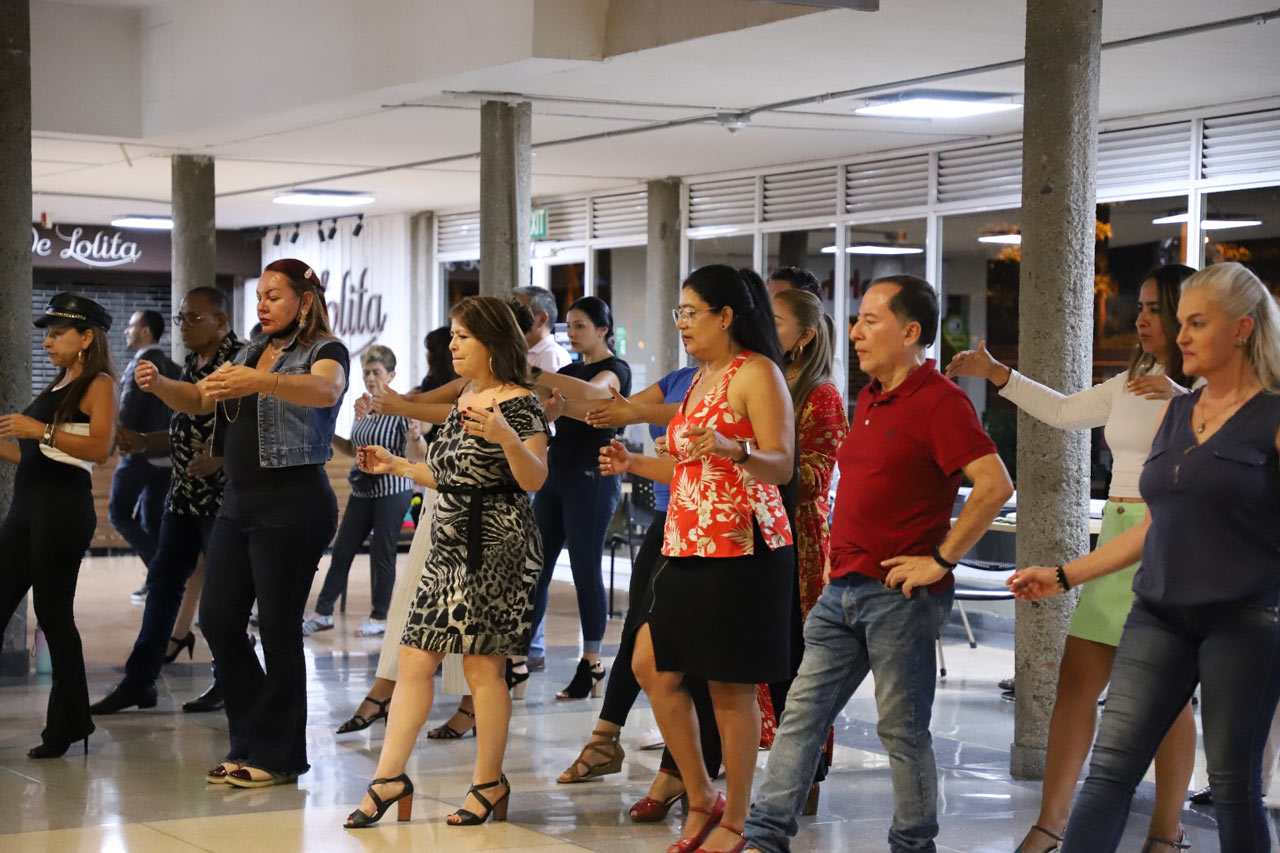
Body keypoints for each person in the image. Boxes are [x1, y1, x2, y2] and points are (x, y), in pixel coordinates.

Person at [1009, 262, 1280, 853]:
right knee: (1109, 773)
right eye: (1179, 321)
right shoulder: (1179, 413)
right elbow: (1156, 525)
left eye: (1196, 322)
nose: (1181, 335)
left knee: (1233, 787)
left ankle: (1167, 834)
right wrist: (1063, 575)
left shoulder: (1271, 416)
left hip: (1241, 618)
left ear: (1242, 328)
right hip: (1158, 611)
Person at [743, 275, 1013, 853]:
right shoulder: (868, 397)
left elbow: (994, 485)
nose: (856, 332)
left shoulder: (942, 401)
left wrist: (940, 561)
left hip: (899, 596)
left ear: (910, 332)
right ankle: (764, 838)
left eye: (870, 320)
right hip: (841, 589)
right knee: (801, 716)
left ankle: (913, 845)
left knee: (902, 732)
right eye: (857, 320)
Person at [946, 263, 1198, 853]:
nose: (1141, 319)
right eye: (1139, 306)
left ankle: (1167, 832)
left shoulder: (1211, 391)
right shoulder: (1133, 379)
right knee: (1077, 682)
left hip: (1168, 539)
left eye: (1154, 308)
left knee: (1168, 695)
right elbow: (1063, 411)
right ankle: (1050, 824)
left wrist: (1188, 399)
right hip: (1117, 534)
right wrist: (997, 373)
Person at [599, 264, 796, 853]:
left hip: (742, 546)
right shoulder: (701, 378)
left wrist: (739, 449)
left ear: (726, 316)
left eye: (691, 313)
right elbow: (690, 470)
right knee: (649, 665)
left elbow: (781, 463)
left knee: (729, 687)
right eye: (679, 314)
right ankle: (702, 794)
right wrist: (633, 464)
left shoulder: (757, 372)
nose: (682, 324)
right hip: (686, 540)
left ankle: (737, 817)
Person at [343, 296, 548, 829]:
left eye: (463, 337)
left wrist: (506, 437)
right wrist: (396, 464)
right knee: (413, 659)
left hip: (498, 545)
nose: (453, 345)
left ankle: (488, 783)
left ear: (492, 342)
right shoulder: (465, 396)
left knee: (483, 666)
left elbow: (534, 478)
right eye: (453, 336)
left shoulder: (521, 402)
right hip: (448, 544)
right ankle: (389, 778)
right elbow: (448, 474)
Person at [148, 258, 348, 788]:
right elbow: (198, 399)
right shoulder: (249, 351)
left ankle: (277, 756)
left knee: (279, 631)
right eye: (259, 296)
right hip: (238, 504)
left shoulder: (324, 350)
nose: (262, 305)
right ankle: (255, 738)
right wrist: (160, 384)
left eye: (274, 296)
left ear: (305, 301)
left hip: (293, 504)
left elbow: (326, 391)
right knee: (217, 621)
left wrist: (262, 380)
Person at [555, 364, 721, 821]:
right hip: (671, 517)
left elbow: (651, 413)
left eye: (694, 314)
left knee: (695, 656)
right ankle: (609, 738)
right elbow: (614, 408)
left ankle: (683, 774)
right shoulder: (682, 376)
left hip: (712, 523)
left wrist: (631, 417)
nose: (684, 327)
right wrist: (555, 396)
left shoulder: (746, 376)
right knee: (639, 632)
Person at [90, 286, 243, 715]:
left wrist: (221, 458)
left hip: (223, 500)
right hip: (183, 497)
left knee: (222, 600)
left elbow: (258, 430)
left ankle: (230, 681)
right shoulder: (191, 365)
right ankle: (140, 682)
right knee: (162, 585)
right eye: (181, 319)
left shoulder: (241, 362)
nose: (184, 327)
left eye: (194, 318)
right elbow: (184, 427)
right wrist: (144, 440)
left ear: (222, 321)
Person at [0, 294, 117, 758]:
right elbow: (35, 456)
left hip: (62, 511)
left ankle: (67, 724)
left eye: (56, 333)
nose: (47, 342)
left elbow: (100, 448)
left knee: (53, 616)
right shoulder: (59, 382)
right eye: (46, 334)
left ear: (86, 338)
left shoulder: (99, 384)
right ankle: (74, 721)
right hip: (27, 509)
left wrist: (39, 430)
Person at [757, 288, 848, 804]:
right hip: (757, 530)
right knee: (765, 656)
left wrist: (751, 456)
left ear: (806, 335)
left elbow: (815, 477)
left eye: (777, 320)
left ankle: (806, 773)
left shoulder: (822, 394)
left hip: (798, 540)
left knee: (797, 661)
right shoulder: (764, 378)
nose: (767, 328)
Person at [530, 295, 631, 699]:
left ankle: (592, 662)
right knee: (535, 567)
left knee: (585, 570)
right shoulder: (568, 371)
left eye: (580, 326)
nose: (571, 333)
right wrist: (549, 406)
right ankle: (518, 658)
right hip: (556, 473)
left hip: (592, 476)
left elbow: (593, 395)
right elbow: (548, 411)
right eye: (568, 326)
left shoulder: (616, 370)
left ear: (603, 330)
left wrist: (538, 376)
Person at [305, 345, 423, 637]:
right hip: (362, 490)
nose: (370, 378)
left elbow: (416, 454)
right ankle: (322, 613)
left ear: (391, 375)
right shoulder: (363, 408)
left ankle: (379, 616)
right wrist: (327, 434)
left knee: (382, 553)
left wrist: (415, 435)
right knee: (342, 550)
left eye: (377, 372)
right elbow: (353, 447)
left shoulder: (400, 408)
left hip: (392, 489)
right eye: (366, 373)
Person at [111, 308, 180, 602]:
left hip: (139, 454)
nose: (126, 331)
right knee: (151, 522)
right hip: (167, 456)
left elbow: (127, 413)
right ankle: (160, 580)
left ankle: (163, 575)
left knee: (118, 513)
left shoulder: (140, 365)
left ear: (145, 331)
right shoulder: (174, 367)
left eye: (131, 326)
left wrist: (114, 438)